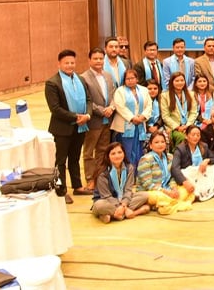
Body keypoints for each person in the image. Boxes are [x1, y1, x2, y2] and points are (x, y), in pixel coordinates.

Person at [46, 49, 93, 204]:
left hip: (80, 127)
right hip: (62, 129)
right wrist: (75, 117)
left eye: (72, 62)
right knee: (60, 161)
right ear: (59, 64)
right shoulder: (52, 83)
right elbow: (55, 108)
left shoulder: (80, 79)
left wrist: (87, 115)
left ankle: (78, 186)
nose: (70, 65)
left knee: (74, 158)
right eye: (66, 63)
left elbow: (88, 100)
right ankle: (61, 190)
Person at [79, 47, 116, 194]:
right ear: (89, 60)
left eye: (101, 58)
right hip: (94, 120)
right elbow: (86, 101)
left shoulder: (107, 75)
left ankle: (100, 176)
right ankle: (90, 178)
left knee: (102, 151)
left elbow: (113, 94)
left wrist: (112, 107)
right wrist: (102, 111)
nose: (99, 61)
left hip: (108, 120)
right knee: (89, 152)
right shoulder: (84, 78)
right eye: (95, 58)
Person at [91, 142, 150, 223]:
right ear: (108, 156)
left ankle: (111, 215)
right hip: (106, 201)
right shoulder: (102, 173)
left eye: (119, 152)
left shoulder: (129, 168)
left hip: (123, 199)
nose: (117, 156)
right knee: (99, 205)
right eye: (113, 153)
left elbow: (128, 190)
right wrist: (124, 208)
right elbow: (106, 196)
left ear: (124, 154)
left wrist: (124, 204)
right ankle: (132, 213)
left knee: (144, 195)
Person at [137, 131, 194, 214]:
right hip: (151, 191)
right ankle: (171, 204)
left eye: (162, 142)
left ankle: (167, 205)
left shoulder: (169, 157)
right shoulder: (145, 159)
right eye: (156, 142)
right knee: (159, 196)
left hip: (167, 189)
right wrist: (167, 192)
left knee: (187, 190)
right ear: (150, 145)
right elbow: (147, 184)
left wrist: (174, 189)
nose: (160, 144)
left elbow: (171, 177)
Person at [111, 69, 153, 166]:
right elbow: (119, 106)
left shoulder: (144, 90)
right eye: (127, 79)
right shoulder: (120, 91)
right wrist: (132, 118)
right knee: (127, 150)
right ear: (124, 80)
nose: (130, 80)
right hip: (125, 126)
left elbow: (149, 105)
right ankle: (127, 173)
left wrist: (142, 117)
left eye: (132, 78)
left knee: (139, 150)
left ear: (137, 79)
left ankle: (139, 173)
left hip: (140, 125)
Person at [170, 125, 214, 201]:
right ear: (186, 136)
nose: (196, 137)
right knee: (187, 171)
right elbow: (174, 168)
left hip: (202, 173)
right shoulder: (180, 149)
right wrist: (184, 182)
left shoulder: (203, 146)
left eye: (198, 135)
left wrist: (207, 161)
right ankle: (202, 191)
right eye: (193, 135)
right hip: (189, 176)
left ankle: (206, 190)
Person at [160, 72, 198, 149]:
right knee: (182, 138)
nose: (180, 83)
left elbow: (193, 113)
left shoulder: (191, 94)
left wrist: (187, 126)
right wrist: (178, 127)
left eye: (182, 80)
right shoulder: (164, 96)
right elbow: (165, 116)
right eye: (177, 81)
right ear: (172, 82)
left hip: (189, 125)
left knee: (197, 135)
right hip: (173, 127)